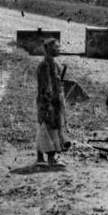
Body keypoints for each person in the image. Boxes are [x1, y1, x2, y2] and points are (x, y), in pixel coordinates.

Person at [36, 38, 68, 167]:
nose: (59, 49)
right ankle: (45, 158)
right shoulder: (44, 66)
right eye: (56, 47)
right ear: (48, 49)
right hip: (47, 103)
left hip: (54, 102)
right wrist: (48, 104)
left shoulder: (55, 65)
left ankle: (47, 158)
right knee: (46, 128)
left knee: (50, 129)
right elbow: (44, 88)